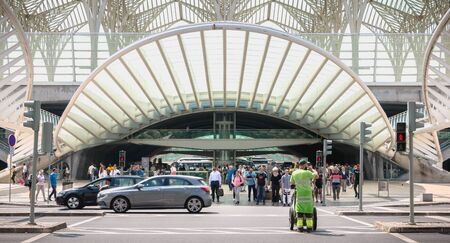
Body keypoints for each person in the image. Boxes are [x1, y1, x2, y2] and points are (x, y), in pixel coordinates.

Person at [290, 160, 318, 233]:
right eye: (306, 165)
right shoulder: (307, 173)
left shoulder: (294, 173)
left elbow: (292, 183)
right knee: (308, 210)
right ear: (304, 165)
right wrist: (312, 169)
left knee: (299, 210)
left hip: (299, 193)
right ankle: (309, 228)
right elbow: (316, 176)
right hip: (308, 193)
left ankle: (300, 227)